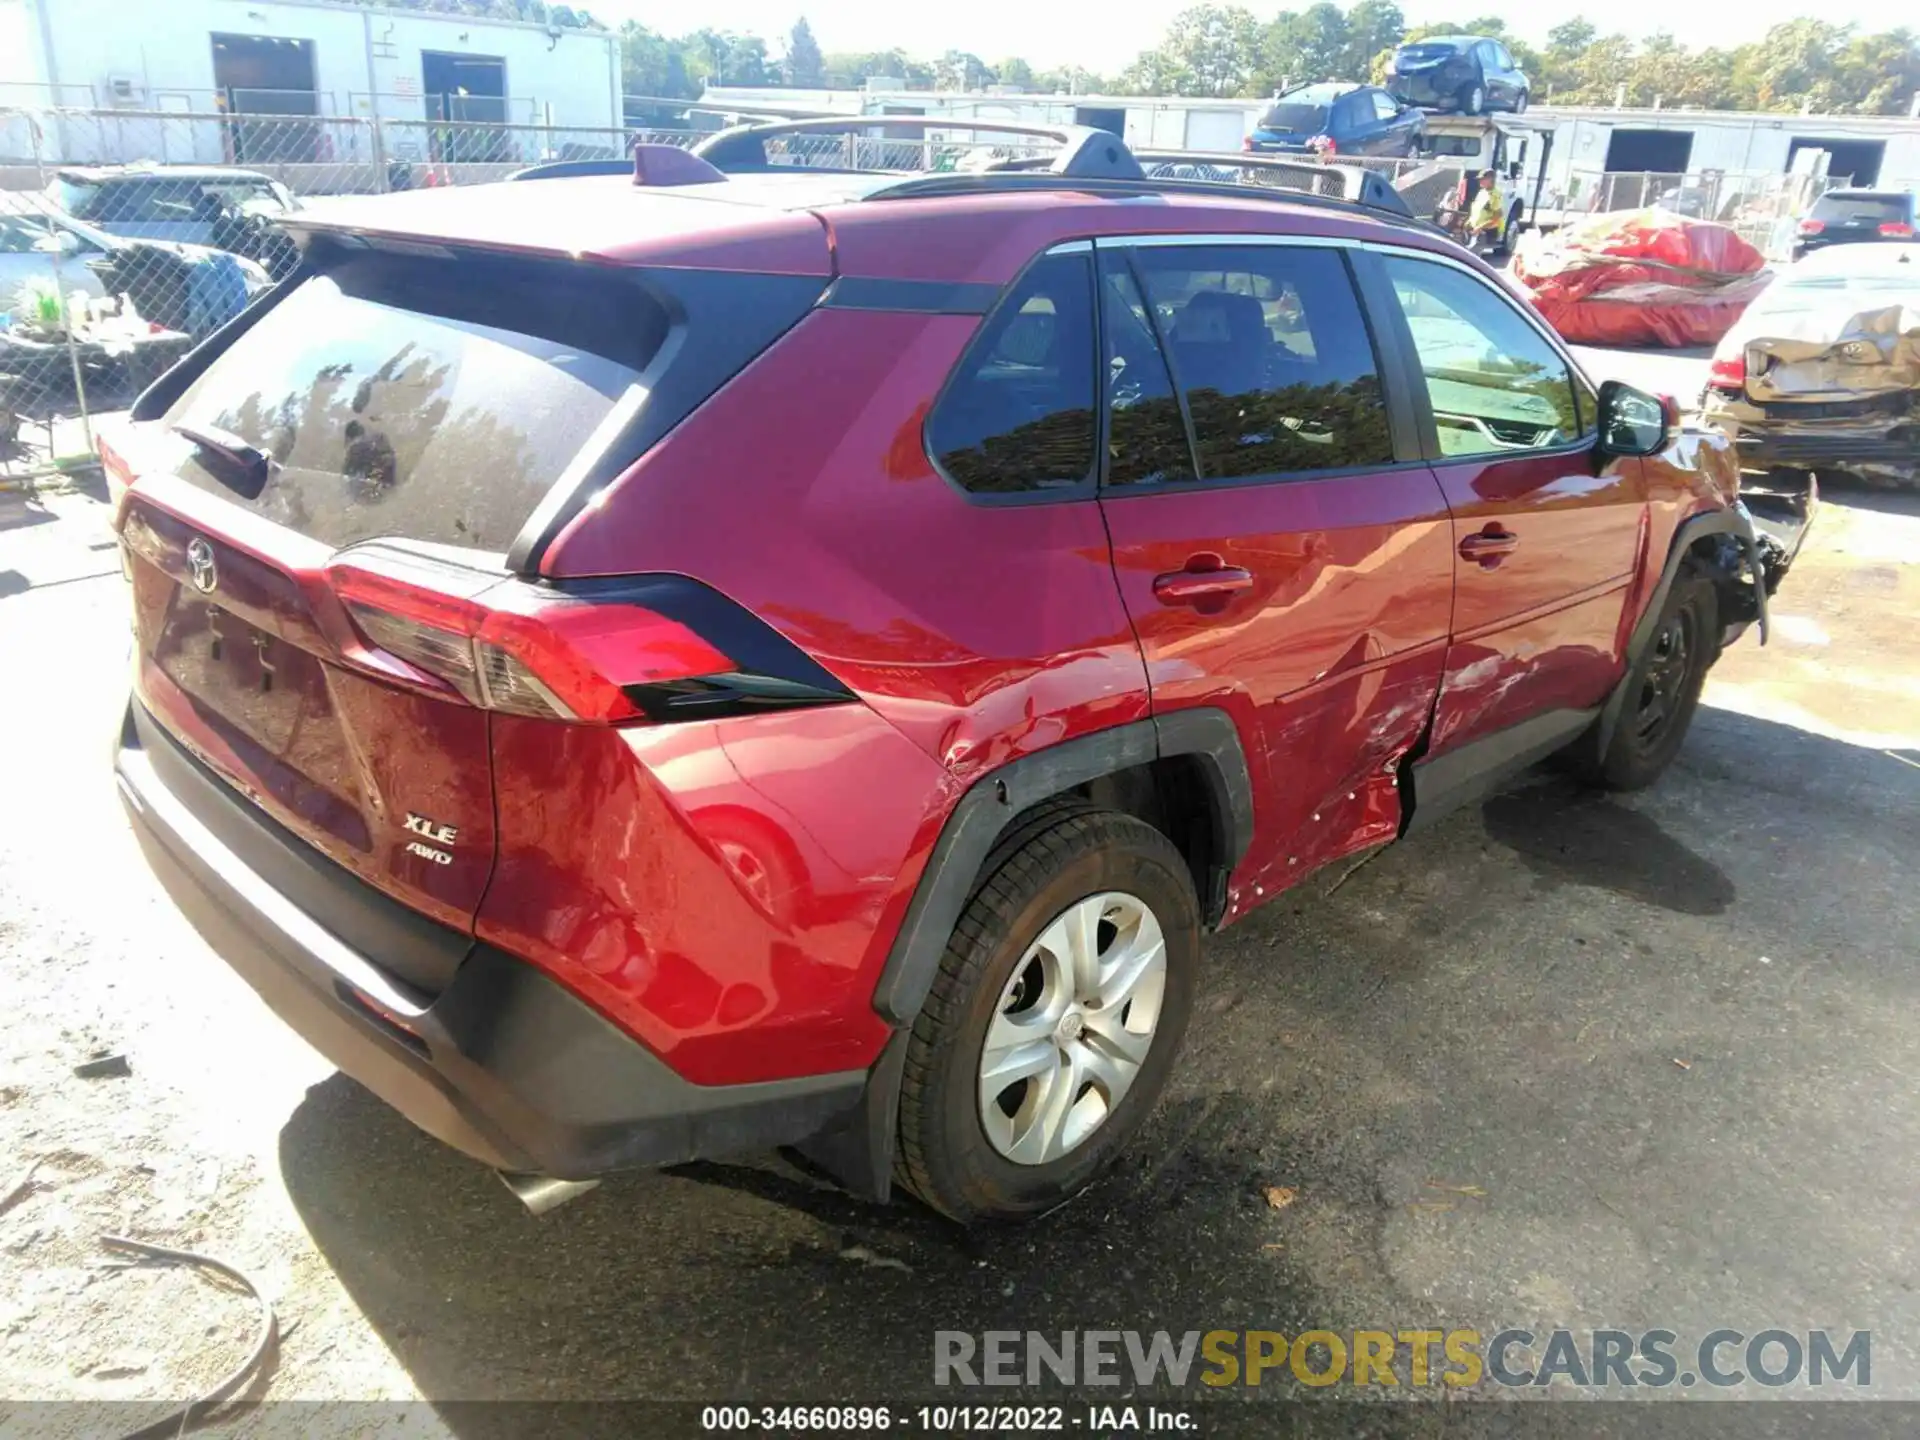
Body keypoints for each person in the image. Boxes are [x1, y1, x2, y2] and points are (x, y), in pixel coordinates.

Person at [1467, 168, 1506, 250]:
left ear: (1490, 179)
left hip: (1485, 231)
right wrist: (1469, 222)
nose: (1480, 181)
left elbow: (1498, 216)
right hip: (1475, 230)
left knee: (1474, 256)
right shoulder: (1481, 192)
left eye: (1482, 179)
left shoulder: (1495, 195)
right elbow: (1477, 210)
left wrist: (1480, 227)